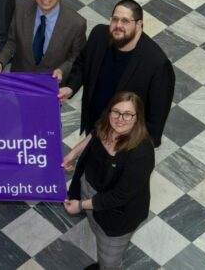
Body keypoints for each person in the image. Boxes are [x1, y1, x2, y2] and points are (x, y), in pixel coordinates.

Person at [59, 0, 174, 147]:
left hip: (125, 142)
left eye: (125, 21)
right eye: (115, 19)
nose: (118, 25)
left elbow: (156, 119)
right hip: (94, 127)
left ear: (139, 25)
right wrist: (70, 87)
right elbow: (82, 64)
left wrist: (137, 154)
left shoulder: (158, 64)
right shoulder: (99, 35)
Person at [63, 92, 154, 270]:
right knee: (96, 228)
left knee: (109, 260)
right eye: (116, 112)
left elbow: (119, 196)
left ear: (137, 118)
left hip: (117, 214)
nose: (120, 119)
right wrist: (73, 153)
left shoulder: (141, 153)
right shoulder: (106, 124)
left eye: (128, 114)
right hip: (89, 192)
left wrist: (81, 206)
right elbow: (93, 133)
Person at [0, 0, 86, 82]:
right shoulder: (20, 7)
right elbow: (11, 41)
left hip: (50, 85)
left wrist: (62, 70)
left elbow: (76, 57)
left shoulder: (76, 23)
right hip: (20, 80)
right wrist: (0, 62)